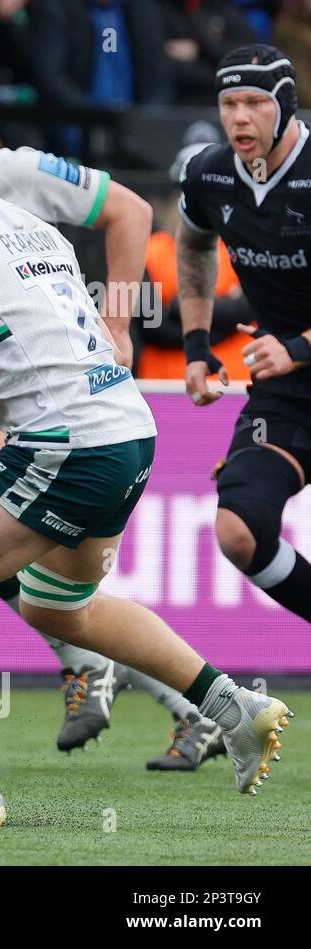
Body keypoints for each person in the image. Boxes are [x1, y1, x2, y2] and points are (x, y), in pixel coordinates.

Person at [0, 90, 291, 826]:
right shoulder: (26, 223)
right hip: (128, 430)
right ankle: (232, 707)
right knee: (66, 608)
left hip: (64, 442)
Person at [178, 44, 311, 629]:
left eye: (255, 103)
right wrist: (196, 343)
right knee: (238, 528)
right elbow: (194, 244)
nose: (239, 118)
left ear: (284, 105)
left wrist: (300, 346)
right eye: (229, 103)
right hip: (285, 390)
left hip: (293, 356)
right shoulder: (209, 174)